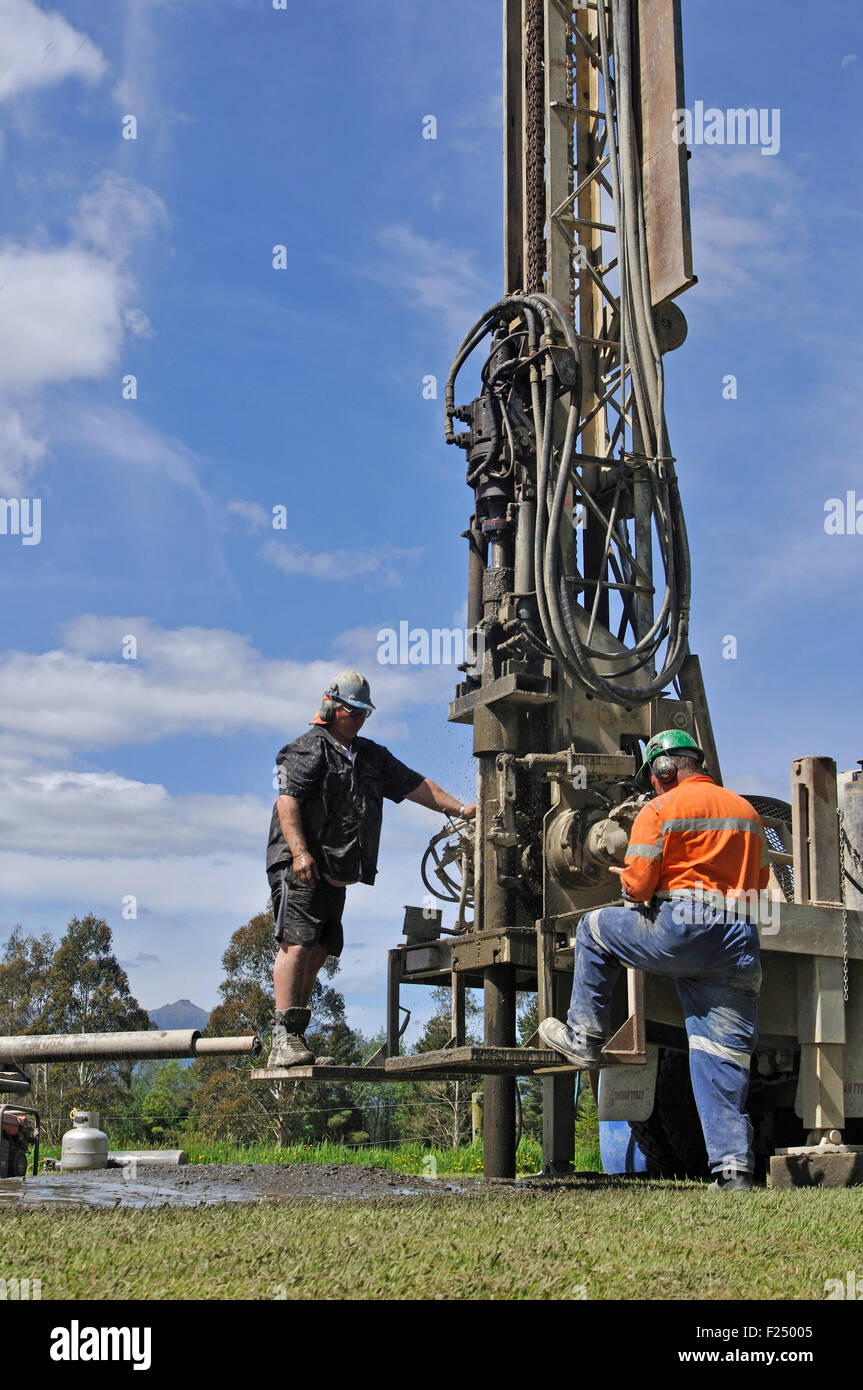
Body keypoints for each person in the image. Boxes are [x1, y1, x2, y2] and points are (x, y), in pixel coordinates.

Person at [538, 729, 769, 1192]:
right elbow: (760, 885)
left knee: (593, 929)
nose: (654, 787)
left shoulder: (659, 810)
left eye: (655, 778)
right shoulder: (747, 813)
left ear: (665, 771)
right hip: (739, 940)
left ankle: (584, 1035)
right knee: (717, 1055)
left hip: (682, 929)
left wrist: (629, 883)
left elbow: (640, 886)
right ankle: (734, 1172)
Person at [265, 669, 476, 1068]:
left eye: (365, 713)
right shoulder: (306, 749)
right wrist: (299, 853)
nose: (360, 719)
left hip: (334, 872)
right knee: (296, 943)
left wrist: (462, 809)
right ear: (331, 707)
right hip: (302, 867)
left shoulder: (370, 756)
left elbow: (416, 785)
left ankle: (295, 1036)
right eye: (354, 711)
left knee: (321, 947)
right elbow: (287, 803)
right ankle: (282, 1038)